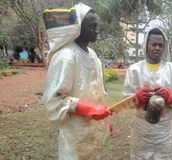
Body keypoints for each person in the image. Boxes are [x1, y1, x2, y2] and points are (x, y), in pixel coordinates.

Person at [42, 3, 112, 160]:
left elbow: (99, 93)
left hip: (96, 130)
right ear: (78, 27)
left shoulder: (93, 55)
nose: (97, 30)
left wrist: (106, 122)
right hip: (75, 134)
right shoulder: (66, 56)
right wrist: (88, 109)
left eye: (97, 26)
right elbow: (53, 101)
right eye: (91, 26)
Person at [123, 27, 172, 160]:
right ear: (146, 45)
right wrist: (137, 97)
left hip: (164, 131)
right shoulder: (134, 70)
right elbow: (126, 100)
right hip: (141, 131)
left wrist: (170, 96)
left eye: (160, 45)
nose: (157, 48)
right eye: (154, 44)